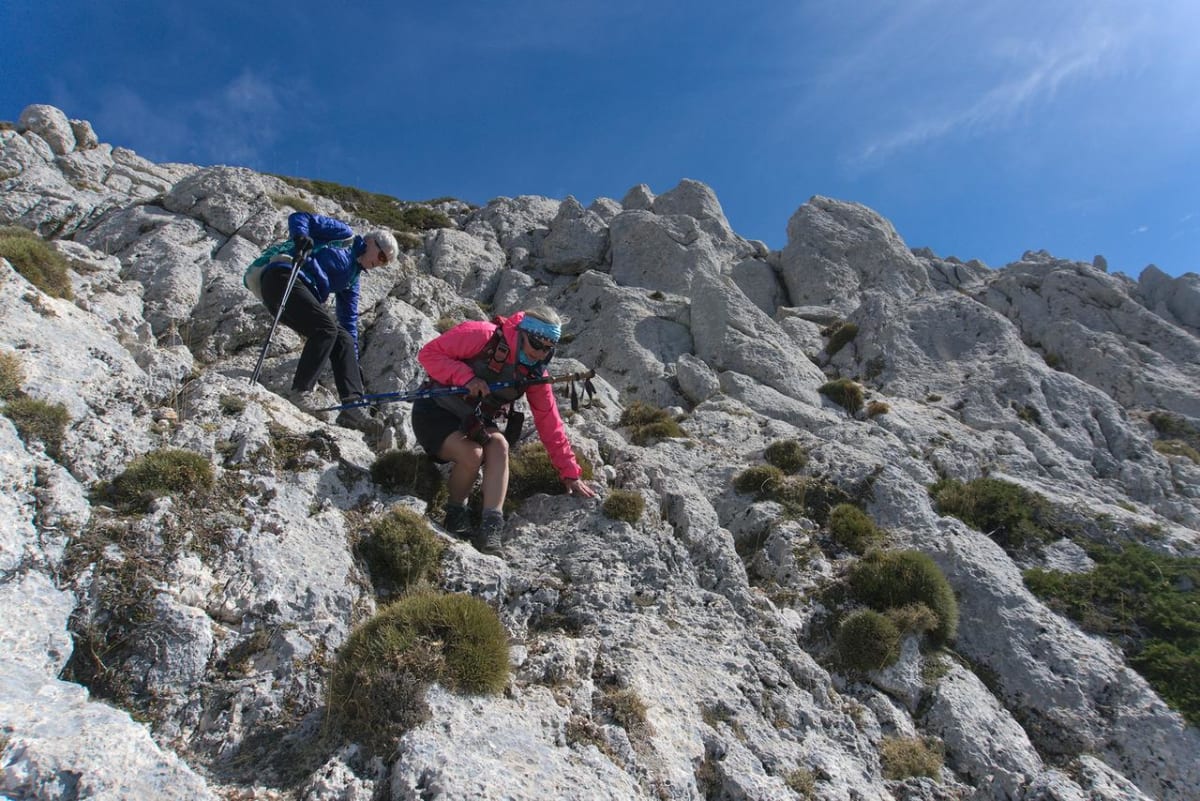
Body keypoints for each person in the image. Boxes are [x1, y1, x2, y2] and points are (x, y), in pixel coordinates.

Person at [412, 306, 597, 553]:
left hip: (473, 420)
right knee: (473, 454)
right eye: (536, 344)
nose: (540, 353)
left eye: (548, 348)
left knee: (500, 445)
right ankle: (455, 513)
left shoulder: (534, 372)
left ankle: (491, 526)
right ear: (521, 334)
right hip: (436, 410)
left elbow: (549, 422)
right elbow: (429, 354)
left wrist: (570, 473)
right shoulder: (482, 335)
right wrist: (466, 378)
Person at [257, 211, 397, 432]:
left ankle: (353, 405)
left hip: (300, 296)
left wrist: (354, 363)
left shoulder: (352, 279)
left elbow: (349, 321)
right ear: (371, 241)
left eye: (384, 264)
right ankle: (302, 391)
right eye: (381, 257)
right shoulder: (344, 236)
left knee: (342, 336)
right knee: (326, 328)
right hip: (283, 277)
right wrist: (301, 236)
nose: (379, 264)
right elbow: (300, 217)